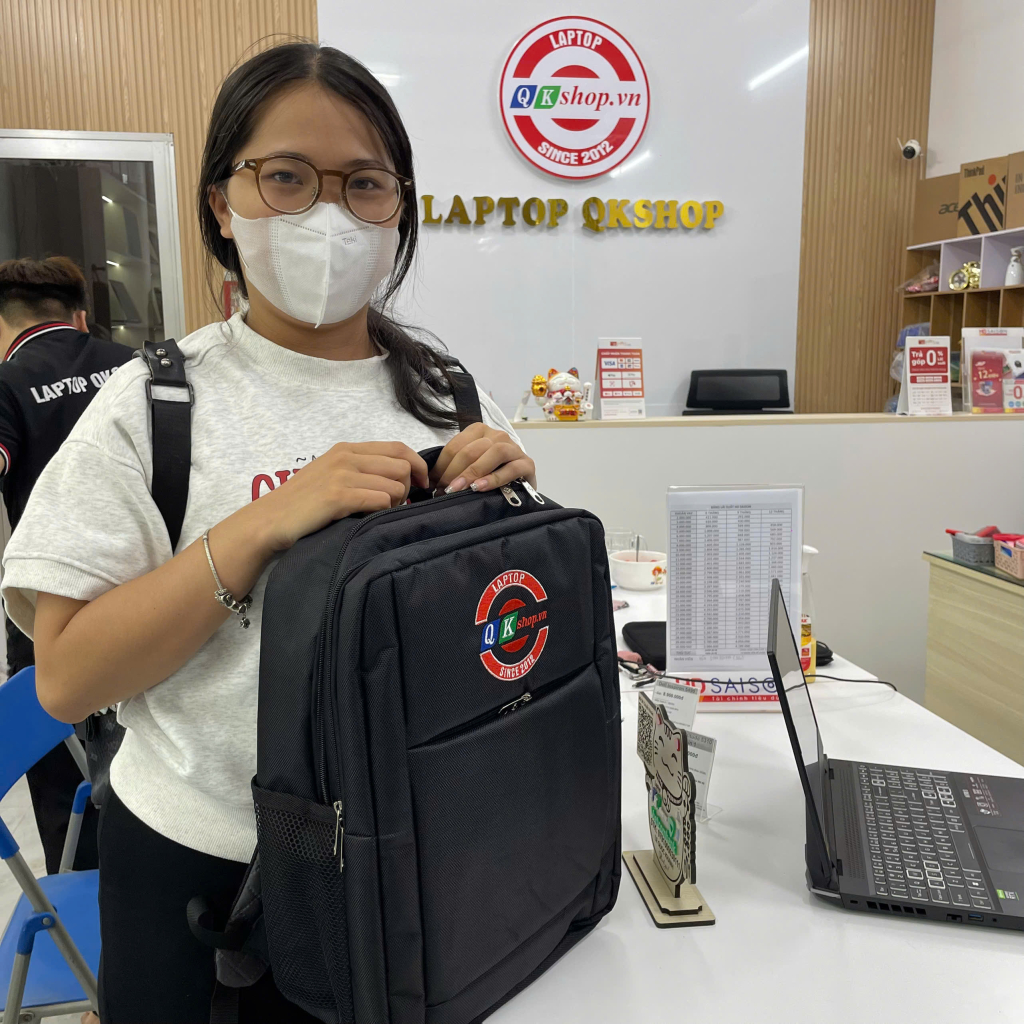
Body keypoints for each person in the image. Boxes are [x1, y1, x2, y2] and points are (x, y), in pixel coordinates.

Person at [1, 42, 536, 1024]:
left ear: (399, 207)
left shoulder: (450, 395)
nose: (328, 215)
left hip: (420, 848)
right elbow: (67, 679)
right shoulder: (153, 405)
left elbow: (506, 637)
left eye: (364, 183)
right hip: (203, 876)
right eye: (285, 177)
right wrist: (263, 526)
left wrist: (508, 521)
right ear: (221, 202)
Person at [0, 256, 132, 875]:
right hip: (150, 597)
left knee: (62, 781)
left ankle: (78, 894)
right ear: (79, 316)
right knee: (152, 759)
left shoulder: (8, 382)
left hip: (52, 610)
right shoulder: (135, 365)